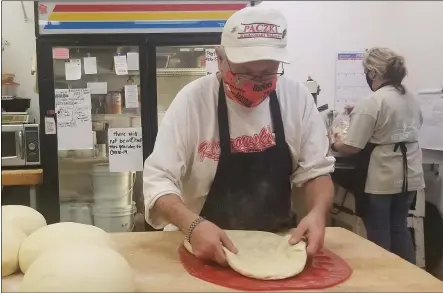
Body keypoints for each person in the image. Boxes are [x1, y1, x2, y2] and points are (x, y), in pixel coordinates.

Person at [143, 6, 335, 266]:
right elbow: (158, 181)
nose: (256, 84)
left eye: (267, 74)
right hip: (199, 245)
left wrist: (317, 213)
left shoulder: (296, 98)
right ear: (220, 59)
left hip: (276, 247)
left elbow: (316, 173)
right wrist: (191, 225)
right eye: (244, 73)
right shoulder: (194, 102)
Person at [331, 47, 425, 264]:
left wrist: (335, 144)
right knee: (399, 227)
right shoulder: (410, 97)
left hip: (383, 176)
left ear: (373, 73)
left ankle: (383, 278)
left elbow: (353, 147)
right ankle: (409, 279)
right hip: (410, 174)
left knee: (379, 229)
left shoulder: (373, 101)